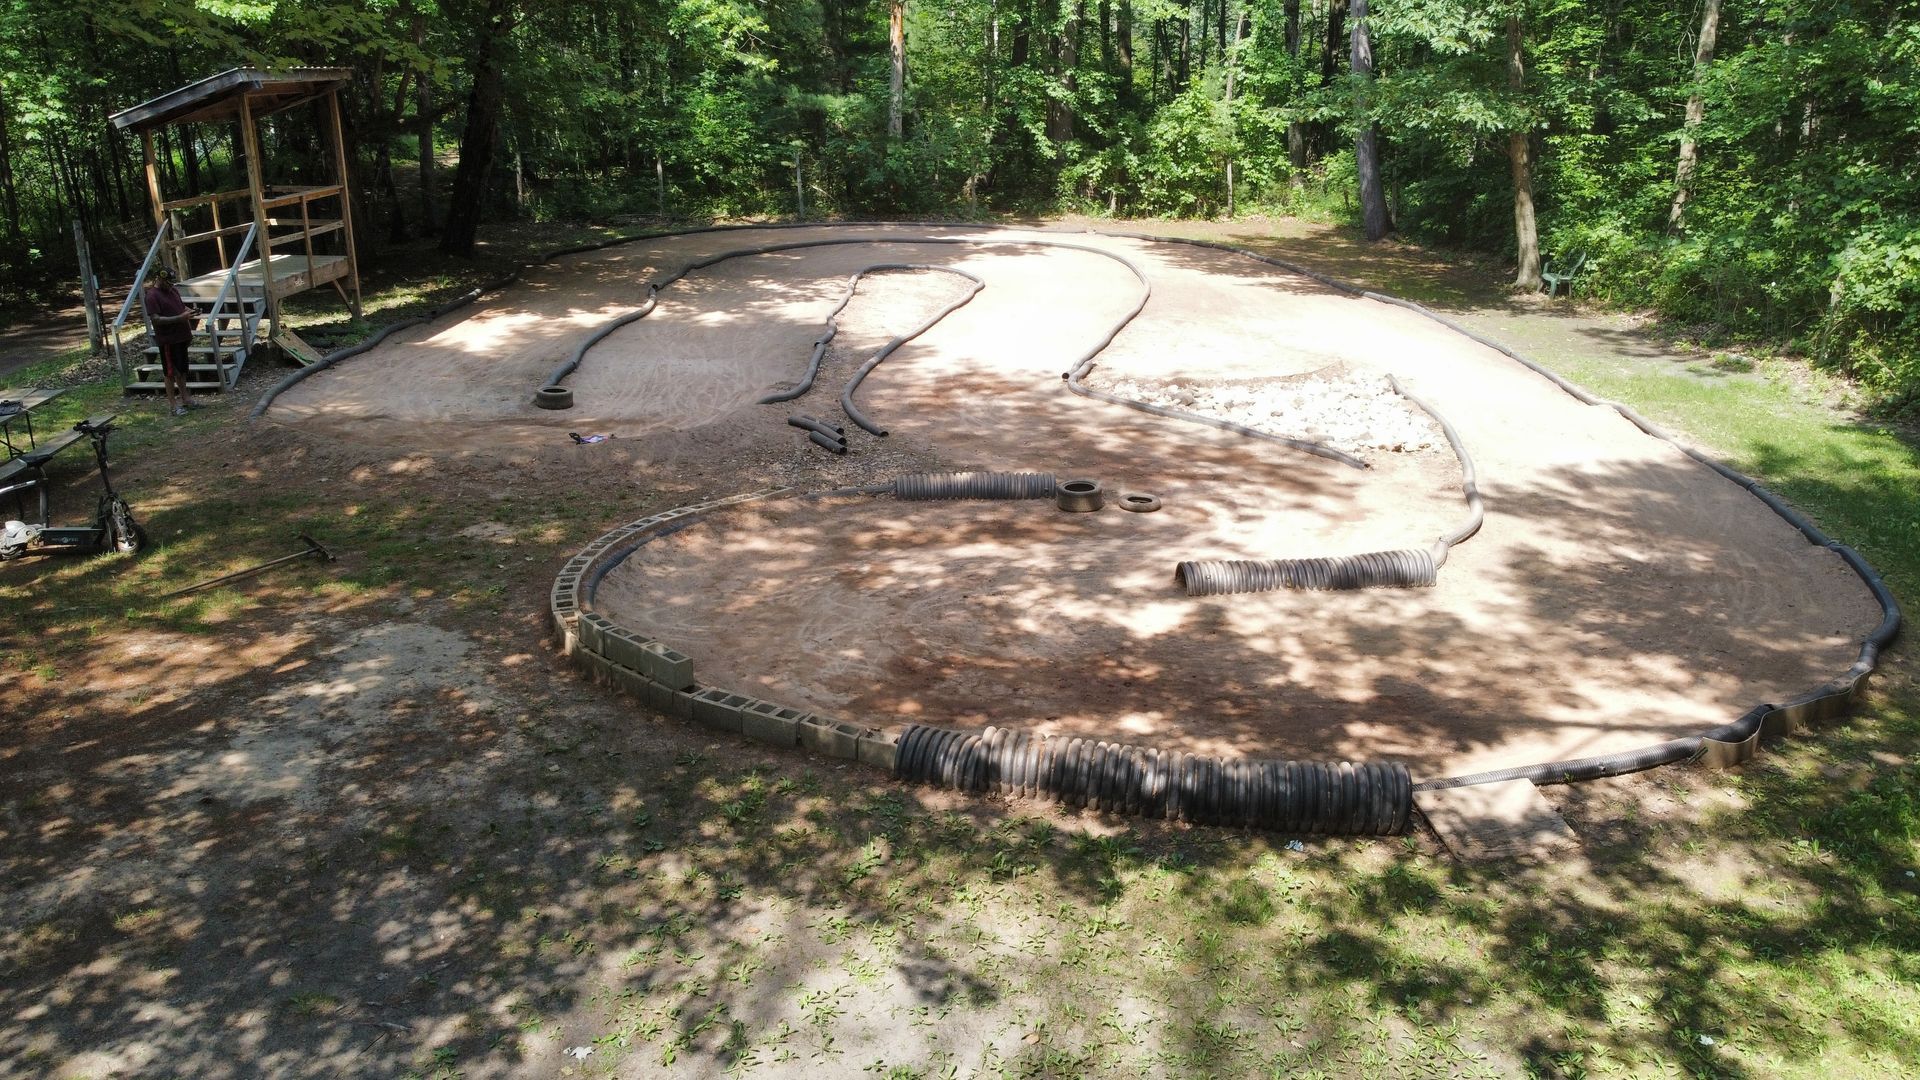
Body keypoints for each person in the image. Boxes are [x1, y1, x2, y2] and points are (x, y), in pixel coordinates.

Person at [142, 266, 199, 416]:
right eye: (168, 282)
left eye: (172, 282)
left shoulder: (173, 290)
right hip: (168, 339)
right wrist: (179, 318)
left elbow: (181, 307)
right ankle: (173, 406)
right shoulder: (152, 296)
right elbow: (156, 319)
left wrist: (189, 311)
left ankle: (186, 399)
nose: (170, 285)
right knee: (170, 373)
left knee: (182, 370)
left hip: (182, 336)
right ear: (159, 278)